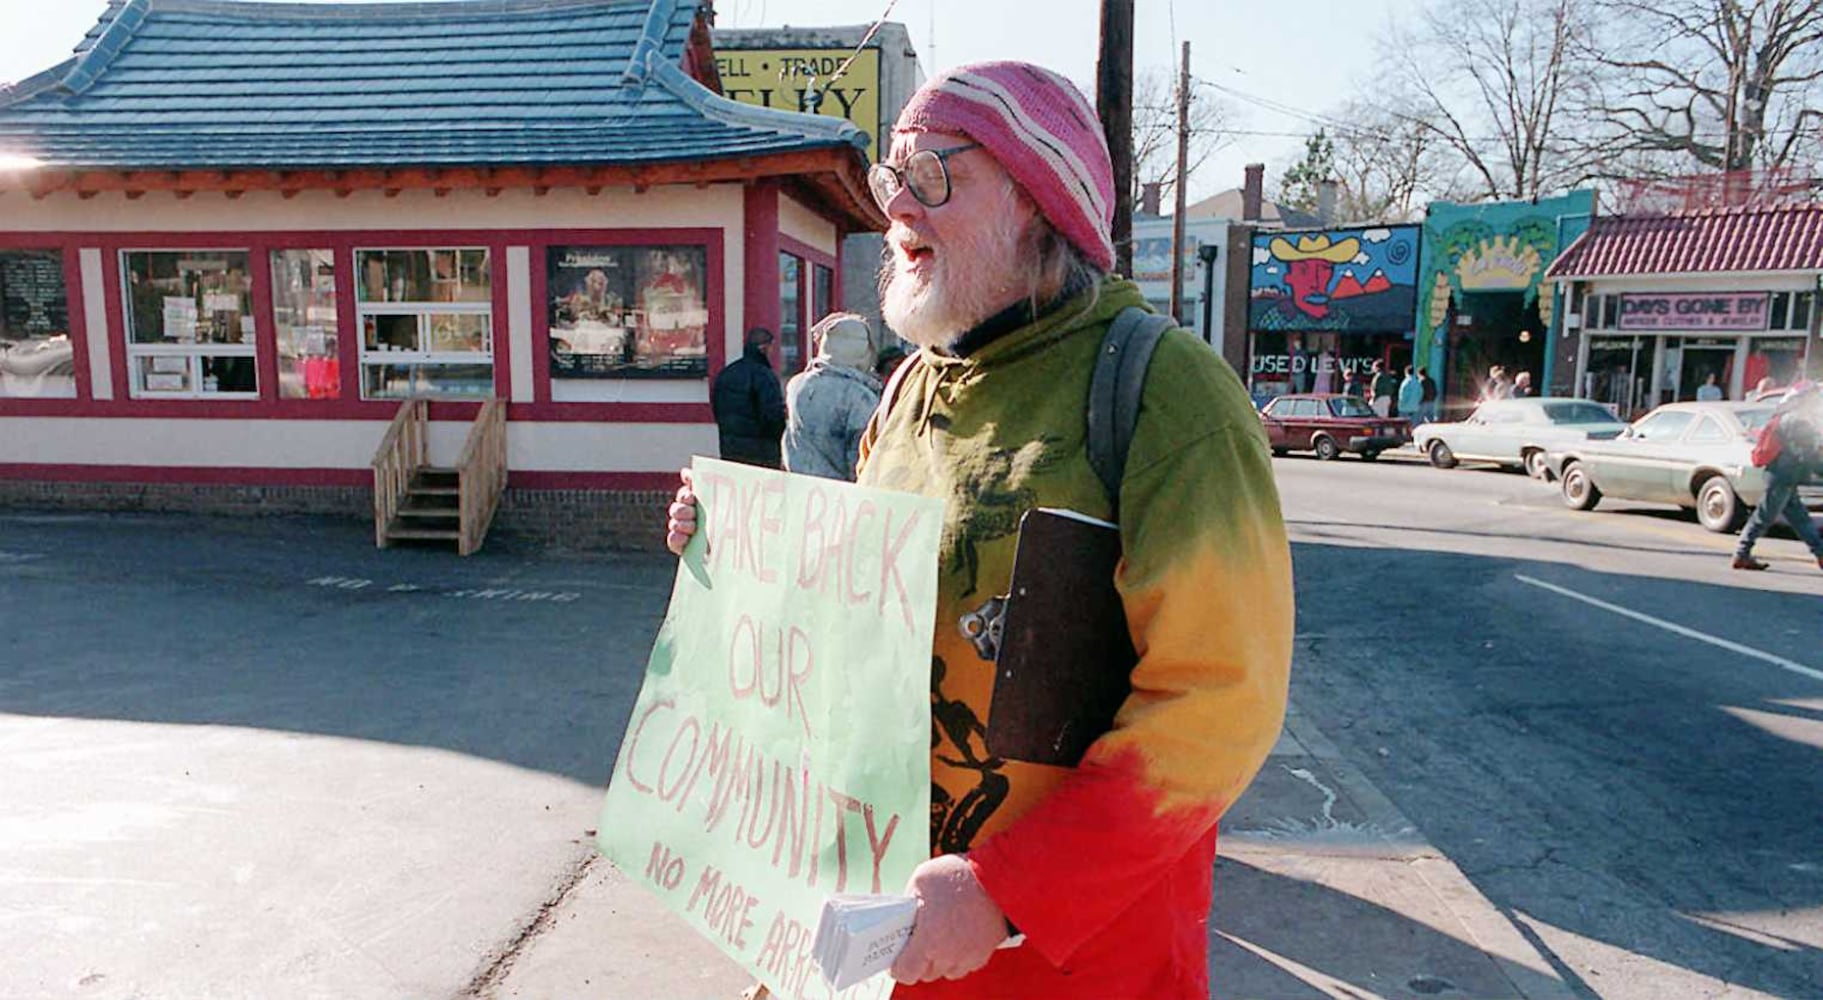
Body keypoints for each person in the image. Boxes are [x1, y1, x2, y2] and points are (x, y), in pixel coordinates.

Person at [668, 60, 1292, 1000]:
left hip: (1069, 967)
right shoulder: (910, 385)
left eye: (931, 176)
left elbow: (1220, 702)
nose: (895, 209)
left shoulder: (1168, 390)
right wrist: (730, 553)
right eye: (893, 177)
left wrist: (1009, 890)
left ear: (1037, 200)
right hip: (878, 937)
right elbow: (858, 603)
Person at [1733, 382, 1823, 572]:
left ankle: (1821, 554)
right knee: (1763, 517)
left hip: (1782, 477)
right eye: (1812, 397)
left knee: (1801, 520)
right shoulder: (1796, 421)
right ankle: (1741, 554)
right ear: (1801, 400)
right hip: (1783, 478)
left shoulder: (1788, 417)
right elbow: (1807, 455)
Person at [782, 312, 882, 481]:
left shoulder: (796, 384)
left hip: (799, 484)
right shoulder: (860, 397)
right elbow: (861, 460)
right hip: (839, 491)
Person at [708, 326, 787, 468]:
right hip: (762, 450)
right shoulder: (765, 376)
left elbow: (716, 407)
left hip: (730, 446)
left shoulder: (726, 373)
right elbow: (773, 416)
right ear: (764, 348)